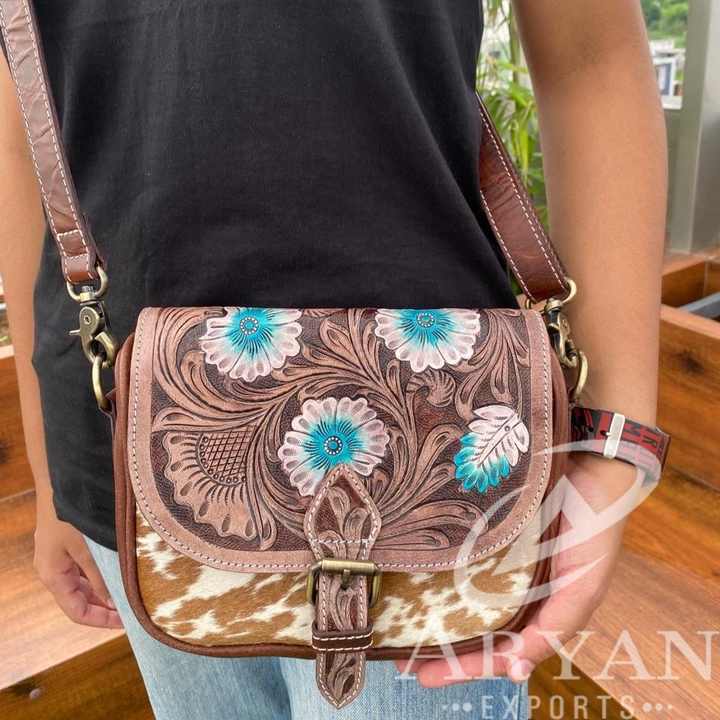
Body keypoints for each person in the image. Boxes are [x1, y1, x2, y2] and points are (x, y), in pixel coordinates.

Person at [0, 1, 666, 718]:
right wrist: (51, 472)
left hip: (453, 468)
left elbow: (591, 58)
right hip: (124, 456)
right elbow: (25, 116)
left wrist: (613, 449)